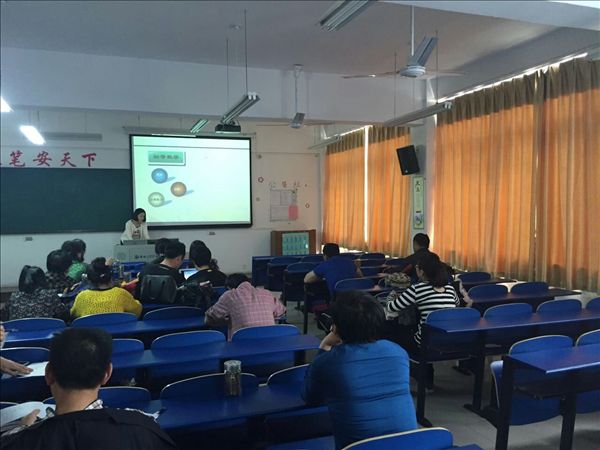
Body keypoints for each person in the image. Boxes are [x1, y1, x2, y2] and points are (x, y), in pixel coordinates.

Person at [0, 328, 177, 449]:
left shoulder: (16, 442)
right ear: (107, 374)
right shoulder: (142, 427)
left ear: (49, 374)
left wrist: (23, 430)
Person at [302, 291, 417, 450]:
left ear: (335, 327)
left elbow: (309, 397)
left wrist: (324, 347)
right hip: (410, 444)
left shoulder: (328, 362)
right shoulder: (398, 352)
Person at [385, 252, 459, 389]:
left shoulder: (418, 288)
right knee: (422, 328)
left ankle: (412, 372)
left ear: (422, 271)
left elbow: (392, 307)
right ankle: (426, 377)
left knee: (391, 332)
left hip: (424, 342)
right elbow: (456, 304)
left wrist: (391, 296)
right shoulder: (450, 288)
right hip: (448, 340)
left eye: (417, 267)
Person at [205, 273, 286, 340]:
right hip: (270, 342)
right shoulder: (267, 293)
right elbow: (281, 311)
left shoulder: (229, 295)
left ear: (229, 288)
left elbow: (210, 317)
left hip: (242, 345)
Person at [70, 258, 142, 319]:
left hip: (89, 332)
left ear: (89, 280)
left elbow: (73, 315)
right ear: (111, 277)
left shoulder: (82, 297)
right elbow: (137, 311)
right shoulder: (120, 293)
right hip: (119, 331)